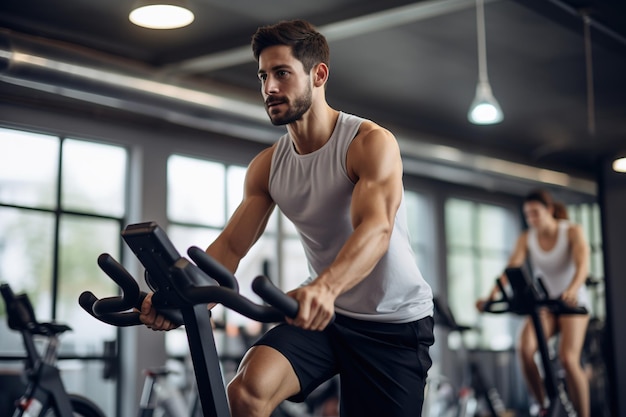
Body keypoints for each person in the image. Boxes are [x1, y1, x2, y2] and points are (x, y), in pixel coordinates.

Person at [139, 19, 434, 417]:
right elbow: (229, 246)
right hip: (324, 318)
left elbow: (376, 228)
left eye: (282, 73)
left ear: (318, 75)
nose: (269, 88)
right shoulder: (268, 166)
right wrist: (185, 298)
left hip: (393, 324)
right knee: (245, 393)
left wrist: (327, 288)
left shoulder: (367, 143)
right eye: (263, 76)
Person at [476, 189, 590, 417]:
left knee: (568, 358)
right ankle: (544, 406)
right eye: (528, 215)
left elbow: (583, 265)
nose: (532, 219)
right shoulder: (526, 238)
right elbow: (510, 269)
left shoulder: (571, 231)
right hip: (546, 303)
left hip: (572, 302)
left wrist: (571, 289)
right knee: (524, 349)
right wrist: (491, 296)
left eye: (536, 213)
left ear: (549, 210)